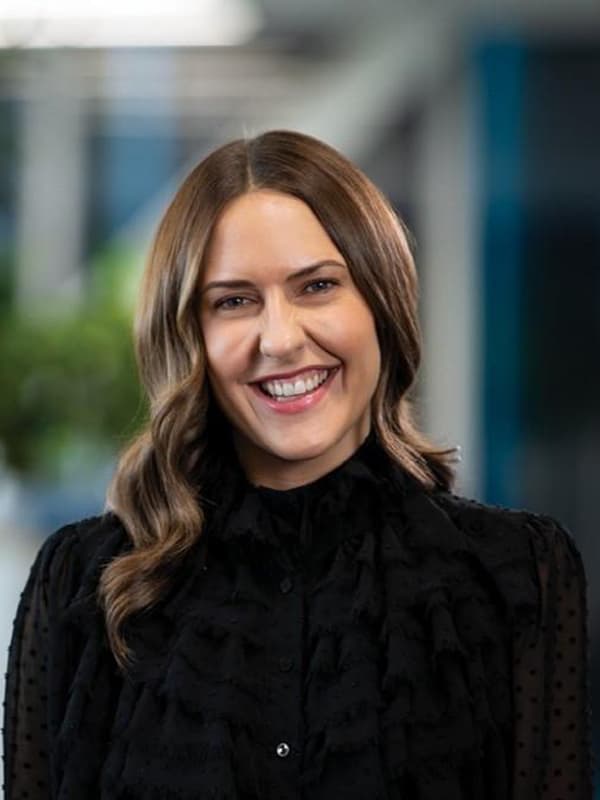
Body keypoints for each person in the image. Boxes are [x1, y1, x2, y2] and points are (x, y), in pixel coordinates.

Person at [3, 130, 594, 800]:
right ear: (188, 332)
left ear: (381, 302)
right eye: (233, 300)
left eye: (316, 286)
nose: (281, 339)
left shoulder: (519, 573)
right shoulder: (80, 584)